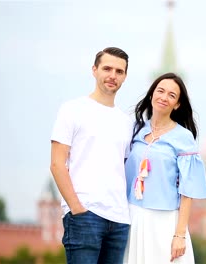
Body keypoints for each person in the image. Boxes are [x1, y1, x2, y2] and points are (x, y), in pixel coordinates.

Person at [50, 47, 132, 263]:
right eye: (107, 68)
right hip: (85, 215)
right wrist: (77, 208)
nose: (112, 76)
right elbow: (57, 164)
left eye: (119, 71)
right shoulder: (72, 109)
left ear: (125, 76)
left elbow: (122, 167)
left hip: (119, 220)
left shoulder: (126, 122)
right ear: (94, 70)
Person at [124, 72, 206, 263]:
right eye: (160, 91)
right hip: (133, 217)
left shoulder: (184, 137)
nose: (164, 97)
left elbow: (187, 191)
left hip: (165, 220)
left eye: (172, 95)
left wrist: (179, 235)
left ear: (177, 104)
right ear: (152, 94)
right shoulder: (136, 129)